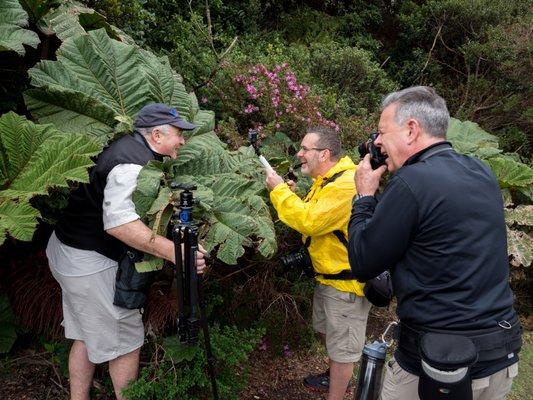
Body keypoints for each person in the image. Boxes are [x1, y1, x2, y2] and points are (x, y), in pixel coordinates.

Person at [348, 86, 522, 400]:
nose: (378, 143)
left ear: (411, 129)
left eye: (383, 133)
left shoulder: (412, 181)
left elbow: (363, 261)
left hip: (436, 366)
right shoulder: (482, 171)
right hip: (499, 356)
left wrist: (364, 198)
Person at [46, 103, 206, 400]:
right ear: (157, 135)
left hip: (67, 250)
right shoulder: (132, 164)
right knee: (125, 343)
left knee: (85, 336)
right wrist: (176, 252)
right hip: (89, 262)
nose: (183, 141)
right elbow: (119, 224)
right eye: (179, 134)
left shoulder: (129, 146)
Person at [265, 126, 371, 400]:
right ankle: (337, 378)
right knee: (329, 336)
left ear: (324, 154)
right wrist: (289, 195)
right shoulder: (326, 180)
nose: (299, 154)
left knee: (342, 349)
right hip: (327, 278)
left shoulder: (345, 184)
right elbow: (315, 215)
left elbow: (309, 222)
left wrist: (279, 192)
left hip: (346, 285)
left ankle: (337, 392)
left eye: (304, 149)